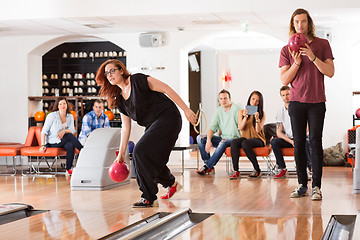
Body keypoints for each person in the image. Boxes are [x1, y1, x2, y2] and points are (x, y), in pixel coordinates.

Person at [96, 59, 196, 208]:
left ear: (121, 70)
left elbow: (167, 89)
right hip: (152, 125)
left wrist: (186, 109)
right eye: (106, 73)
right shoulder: (120, 100)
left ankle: (148, 197)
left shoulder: (138, 80)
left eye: (112, 71)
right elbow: (126, 128)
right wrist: (121, 154)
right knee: (147, 157)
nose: (109, 75)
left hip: (168, 118)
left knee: (140, 151)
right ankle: (171, 183)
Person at [279, 8, 334, 200]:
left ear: (308, 23)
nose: (300, 25)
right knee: (299, 143)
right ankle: (302, 184)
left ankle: (316, 187)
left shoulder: (322, 44)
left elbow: (330, 71)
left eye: (303, 22)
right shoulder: (287, 49)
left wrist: (311, 56)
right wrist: (296, 63)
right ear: (292, 25)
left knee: (315, 143)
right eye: (296, 22)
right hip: (296, 102)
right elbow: (284, 79)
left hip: (317, 102)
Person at [196, 89, 241, 175]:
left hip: (235, 139)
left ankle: (207, 166)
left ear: (230, 99)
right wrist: (208, 140)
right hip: (223, 138)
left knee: (223, 142)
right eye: (221, 99)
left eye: (225, 98)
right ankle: (209, 166)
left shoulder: (236, 108)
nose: (223, 101)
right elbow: (212, 128)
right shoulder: (219, 111)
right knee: (200, 138)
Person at [271, 86, 312, 178]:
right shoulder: (280, 112)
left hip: (301, 137)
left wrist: (298, 139)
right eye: (283, 95)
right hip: (289, 139)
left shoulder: (300, 107)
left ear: (292, 94)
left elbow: (307, 127)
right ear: (281, 96)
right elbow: (279, 132)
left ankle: (307, 168)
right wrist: (291, 141)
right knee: (274, 142)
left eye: (287, 94)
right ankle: (282, 168)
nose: (285, 97)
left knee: (306, 142)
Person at [39, 97, 83, 175]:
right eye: (60, 104)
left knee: (70, 145)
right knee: (69, 136)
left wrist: (64, 131)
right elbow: (43, 132)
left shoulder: (70, 116)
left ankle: (68, 169)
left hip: (63, 140)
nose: (63, 105)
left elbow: (72, 130)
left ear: (67, 105)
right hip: (52, 141)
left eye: (64, 103)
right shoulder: (51, 116)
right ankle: (83, 151)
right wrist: (42, 145)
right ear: (58, 106)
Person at [230, 91, 266, 179]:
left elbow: (258, 130)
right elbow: (240, 128)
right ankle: (236, 171)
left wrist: (257, 119)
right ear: (249, 99)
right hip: (245, 138)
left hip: (258, 139)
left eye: (257, 101)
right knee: (234, 142)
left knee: (245, 143)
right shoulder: (241, 112)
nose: (254, 102)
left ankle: (257, 170)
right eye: (253, 99)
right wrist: (245, 117)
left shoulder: (262, 113)